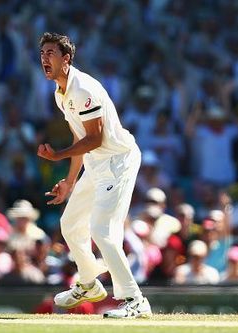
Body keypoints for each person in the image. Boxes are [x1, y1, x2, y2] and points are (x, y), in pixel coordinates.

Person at [36, 32, 152, 318]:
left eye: (51, 53)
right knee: (71, 224)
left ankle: (134, 300)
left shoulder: (82, 89)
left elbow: (95, 138)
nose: (44, 59)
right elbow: (81, 138)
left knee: (102, 230)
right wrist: (69, 182)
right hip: (97, 162)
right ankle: (89, 282)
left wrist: (57, 155)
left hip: (118, 161)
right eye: (42, 54)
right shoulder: (60, 93)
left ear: (66, 59)